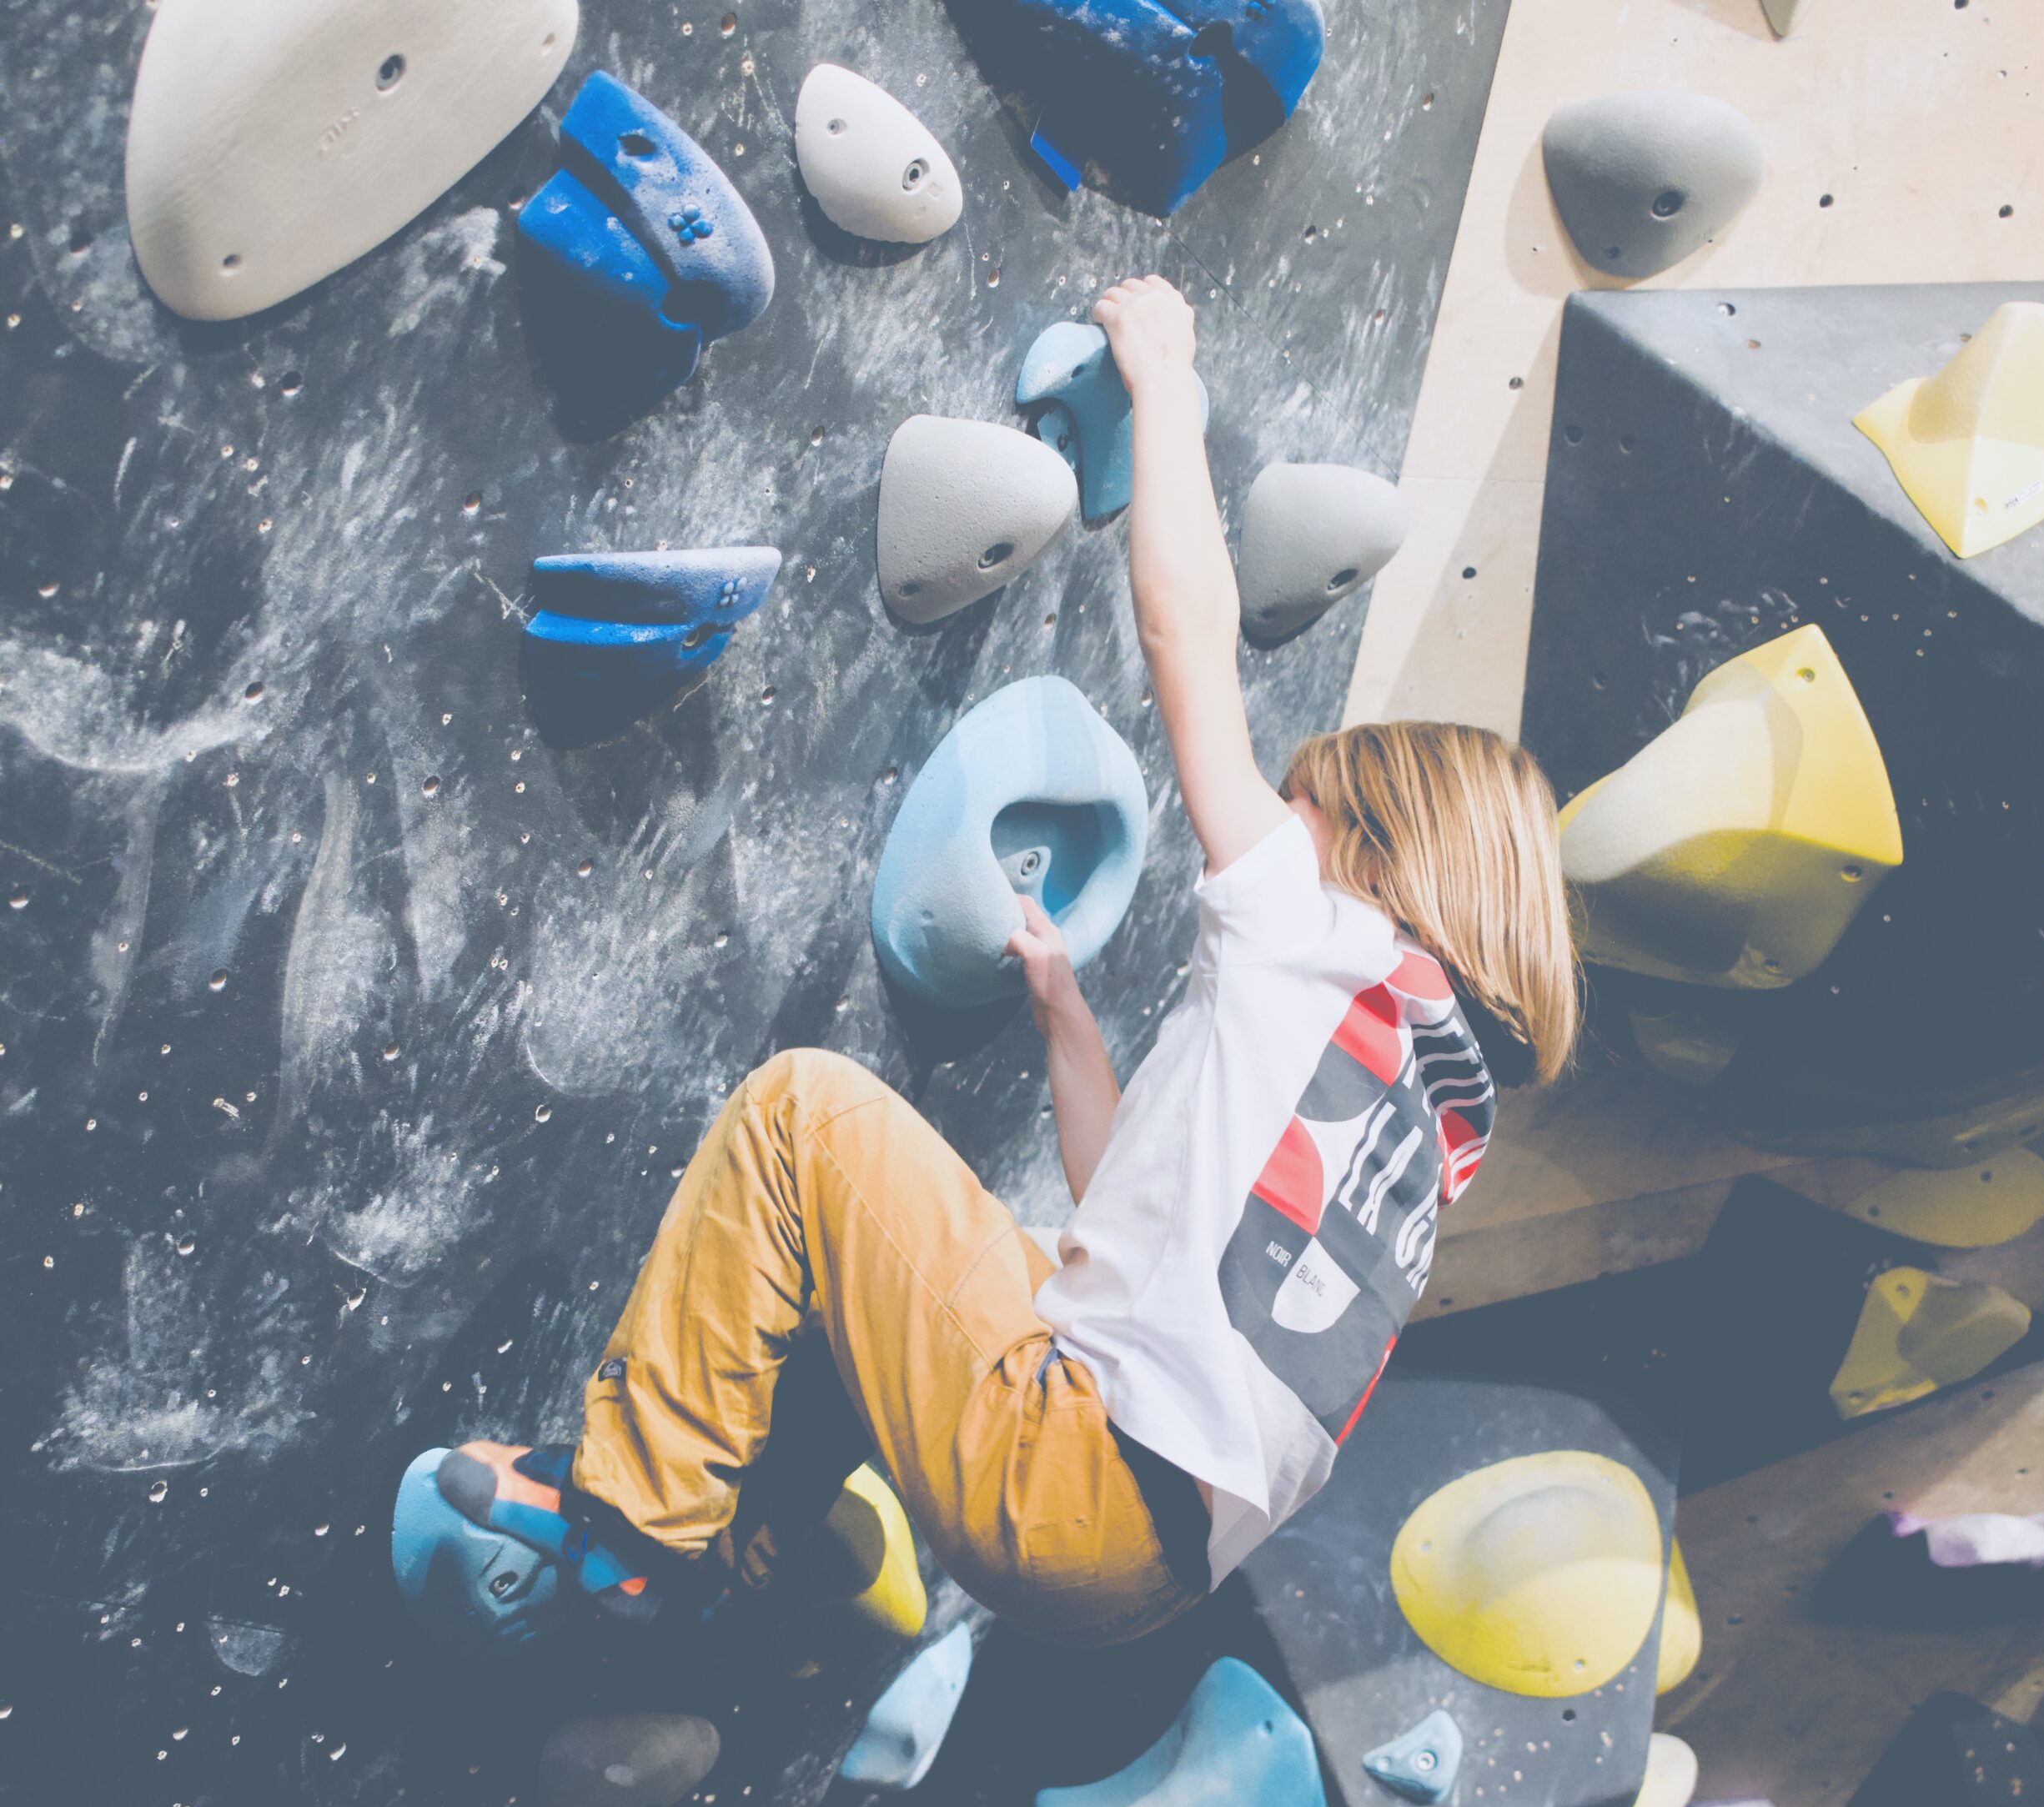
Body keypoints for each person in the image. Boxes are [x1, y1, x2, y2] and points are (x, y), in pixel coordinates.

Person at [400, 275, 1579, 1655]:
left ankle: (627, 1532)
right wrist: (1069, 1024)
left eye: (1309, 809)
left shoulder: (1328, 935)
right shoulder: (1433, 1113)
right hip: (1143, 1564)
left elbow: (1187, 639)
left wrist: (1163, 380)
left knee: (801, 1118)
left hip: (1068, 1465)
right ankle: (753, 1538)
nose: (1282, 825)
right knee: (931, 1258)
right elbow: (1135, 1221)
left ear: (1384, 848)